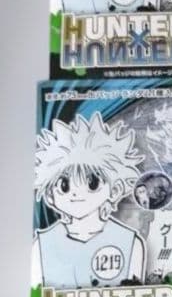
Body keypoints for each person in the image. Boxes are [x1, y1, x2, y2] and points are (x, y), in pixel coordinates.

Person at [33, 113, 146, 287]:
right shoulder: (41, 245)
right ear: (50, 195)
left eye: (92, 183)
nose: (76, 193)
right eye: (64, 185)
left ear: (115, 190)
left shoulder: (131, 243)